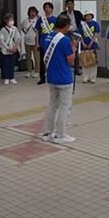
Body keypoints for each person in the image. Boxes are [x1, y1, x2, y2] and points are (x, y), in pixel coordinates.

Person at [41, 15, 77, 144]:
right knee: (65, 107)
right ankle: (60, 135)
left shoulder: (48, 36)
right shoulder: (65, 40)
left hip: (51, 77)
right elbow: (70, 60)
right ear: (66, 25)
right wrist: (74, 47)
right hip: (64, 78)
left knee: (52, 105)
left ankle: (47, 133)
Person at [35, 2, 57, 85]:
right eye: (46, 7)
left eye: (49, 7)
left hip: (52, 43)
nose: (47, 9)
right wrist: (37, 43)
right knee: (42, 61)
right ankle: (42, 78)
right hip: (43, 43)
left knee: (52, 60)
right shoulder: (40, 19)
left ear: (52, 9)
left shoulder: (55, 19)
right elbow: (37, 31)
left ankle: (52, 76)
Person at [61, 0, 84, 75]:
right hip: (66, 33)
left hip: (75, 33)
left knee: (76, 51)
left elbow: (84, 21)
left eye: (71, 4)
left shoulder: (78, 13)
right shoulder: (63, 14)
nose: (70, 5)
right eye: (68, 4)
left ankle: (76, 69)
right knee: (66, 51)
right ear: (66, 5)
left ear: (74, 5)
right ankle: (66, 68)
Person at [0, 13, 21, 85]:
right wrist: (7, 48)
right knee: (6, 64)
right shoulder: (3, 30)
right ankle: (6, 77)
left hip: (13, 49)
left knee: (12, 64)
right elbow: (1, 40)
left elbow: (18, 38)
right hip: (6, 50)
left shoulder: (15, 29)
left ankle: (12, 77)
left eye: (12, 19)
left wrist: (15, 47)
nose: (12, 21)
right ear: (6, 20)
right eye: (10, 20)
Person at [80, 11, 100, 83]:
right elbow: (80, 35)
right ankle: (85, 77)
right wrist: (83, 43)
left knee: (93, 61)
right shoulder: (82, 24)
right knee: (84, 61)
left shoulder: (95, 24)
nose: (88, 17)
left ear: (92, 16)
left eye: (89, 15)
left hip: (93, 45)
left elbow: (96, 34)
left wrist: (91, 43)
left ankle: (92, 77)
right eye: (86, 16)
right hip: (83, 46)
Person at [20, 6, 40, 79]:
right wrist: (26, 33)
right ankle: (29, 71)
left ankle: (37, 71)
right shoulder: (25, 20)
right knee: (28, 57)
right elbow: (22, 27)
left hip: (35, 41)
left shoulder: (38, 19)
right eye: (31, 12)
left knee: (36, 57)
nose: (32, 13)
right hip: (27, 40)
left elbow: (39, 30)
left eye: (34, 12)